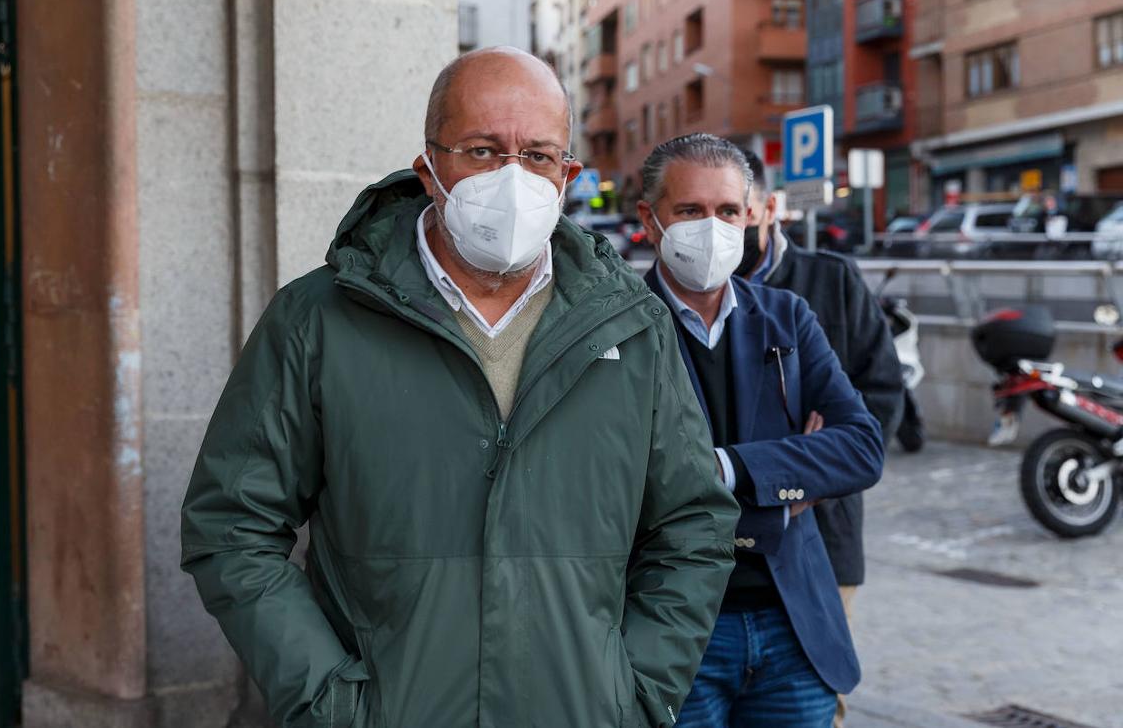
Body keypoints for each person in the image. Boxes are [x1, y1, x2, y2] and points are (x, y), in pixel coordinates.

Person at [179, 48, 740, 728]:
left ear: (568, 175)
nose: (512, 177)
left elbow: (693, 525)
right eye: (481, 150)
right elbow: (231, 524)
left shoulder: (633, 327)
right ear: (429, 168)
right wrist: (330, 703)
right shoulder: (318, 320)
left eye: (537, 155)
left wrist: (634, 693)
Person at [635, 133, 885, 727]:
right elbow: (628, 484)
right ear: (650, 219)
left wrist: (727, 468)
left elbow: (862, 448)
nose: (712, 227)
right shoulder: (618, 328)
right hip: (675, 630)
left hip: (791, 627)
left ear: (751, 216)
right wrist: (792, 473)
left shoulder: (786, 316)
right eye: (690, 211)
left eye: (727, 211)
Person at [734, 150, 904, 727]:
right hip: (721, 555)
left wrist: (812, 481)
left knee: (817, 699)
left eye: (737, 212)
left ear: (769, 209)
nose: (719, 231)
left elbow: (881, 400)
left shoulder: (830, 280)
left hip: (824, 541)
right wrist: (798, 454)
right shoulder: (691, 294)